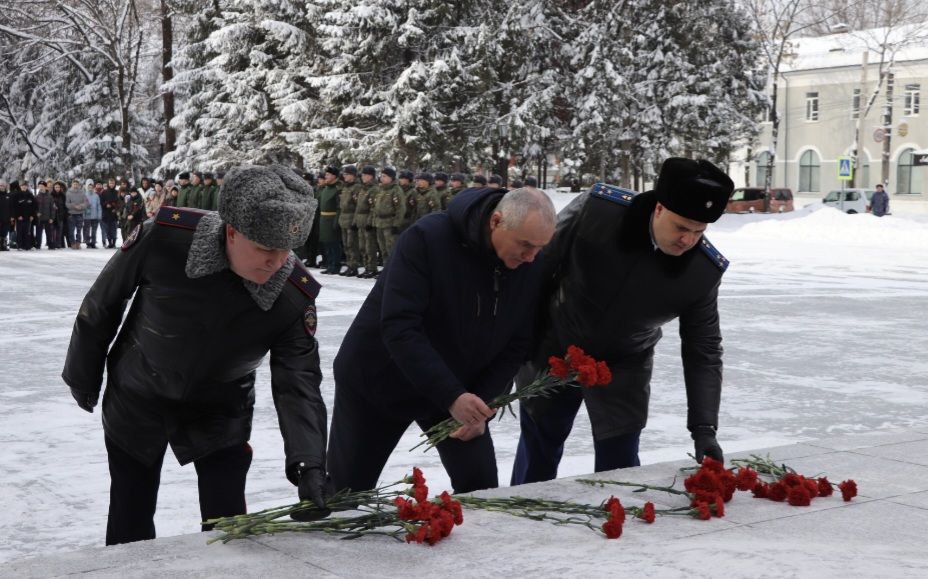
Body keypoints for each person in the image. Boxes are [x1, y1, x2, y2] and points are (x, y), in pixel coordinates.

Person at [62, 164, 330, 546]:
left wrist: (310, 462)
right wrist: (82, 376)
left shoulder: (293, 295)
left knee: (228, 529)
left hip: (220, 409)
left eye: (287, 249)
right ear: (232, 232)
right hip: (138, 394)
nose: (277, 262)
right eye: (266, 248)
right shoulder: (165, 238)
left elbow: (298, 383)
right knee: (129, 517)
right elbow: (101, 305)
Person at [511, 158, 734, 486]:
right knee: (538, 450)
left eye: (699, 231)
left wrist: (704, 428)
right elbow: (536, 269)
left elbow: (704, 349)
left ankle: (619, 527)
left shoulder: (702, 272)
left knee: (621, 468)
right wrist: (517, 347)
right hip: (553, 345)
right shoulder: (597, 211)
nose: (688, 240)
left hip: (624, 363)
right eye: (682, 227)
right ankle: (521, 511)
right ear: (659, 208)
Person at [327, 187, 557, 495]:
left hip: (458, 390)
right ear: (496, 221)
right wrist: (451, 395)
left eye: (540, 248)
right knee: (345, 496)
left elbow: (518, 341)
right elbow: (400, 327)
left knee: (481, 489)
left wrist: (481, 403)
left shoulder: (530, 265)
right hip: (381, 382)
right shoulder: (427, 239)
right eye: (525, 245)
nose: (531, 256)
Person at [316, 166, 342, 274]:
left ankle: (336, 265)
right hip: (323, 219)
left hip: (332, 218)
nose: (325, 176)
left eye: (328, 175)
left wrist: (336, 221)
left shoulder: (338, 189)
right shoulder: (326, 189)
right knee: (326, 243)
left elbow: (339, 207)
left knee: (334, 243)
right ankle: (329, 264)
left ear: (334, 176)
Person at [83, 180, 102, 248]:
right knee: (87, 230)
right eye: (89, 186)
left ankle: (93, 242)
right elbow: (83, 206)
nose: (90, 187)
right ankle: (88, 242)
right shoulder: (84, 195)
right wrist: (83, 214)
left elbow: (99, 206)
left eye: (91, 186)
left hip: (95, 216)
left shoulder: (96, 196)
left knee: (94, 230)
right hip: (87, 216)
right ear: (87, 186)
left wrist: (99, 215)